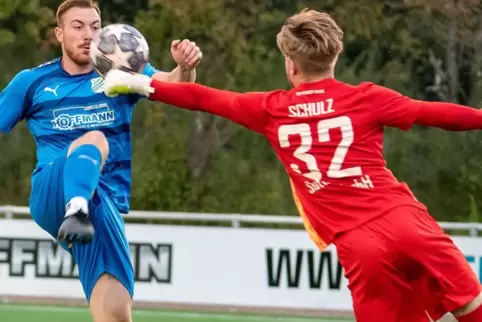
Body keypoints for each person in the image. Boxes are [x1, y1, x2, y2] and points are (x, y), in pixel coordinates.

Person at [103, 8, 482, 322]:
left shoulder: (271, 110)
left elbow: (203, 98)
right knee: (471, 305)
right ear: (334, 56)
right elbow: (434, 113)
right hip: (404, 220)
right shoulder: (367, 98)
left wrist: (136, 84)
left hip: (359, 246)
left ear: (291, 65)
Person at [0, 0, 202, 320]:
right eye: (77, 26)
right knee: (94, 138)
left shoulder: (121, 72)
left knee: (117, 311)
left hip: (103, 200)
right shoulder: (32, 82)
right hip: (54, 189)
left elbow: (174, 85)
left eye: (95, 27)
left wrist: (185, 67)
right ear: (59, 33)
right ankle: (75, 207)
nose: (87, 34)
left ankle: (81, 213)